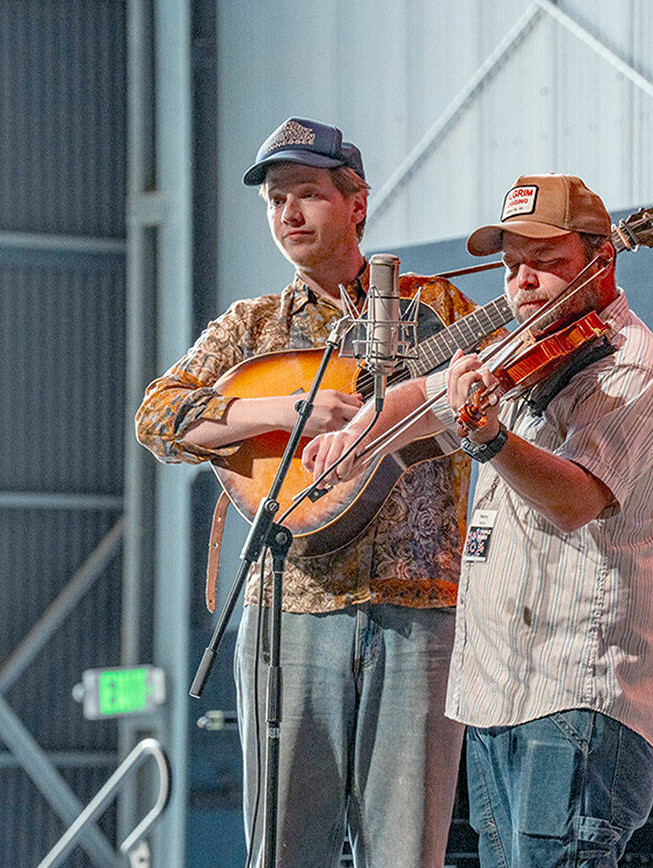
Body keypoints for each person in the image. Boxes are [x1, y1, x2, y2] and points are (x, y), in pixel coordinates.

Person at [306, 173, 653, 866]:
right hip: (494, 697)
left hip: (576, 694)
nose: (524, 281)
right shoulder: (509, 355)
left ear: (601, 260)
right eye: (513, 264)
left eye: (547, 262)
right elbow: (411, 399)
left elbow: (575, 500)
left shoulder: (636, 368)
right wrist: (355, 439)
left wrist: (489, 439)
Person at [134, 117, 475, 867]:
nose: (287, 214)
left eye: (308, 195)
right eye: (276, 199)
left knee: (407, 851)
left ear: (356, 203)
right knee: (285, 849)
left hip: (419, 612)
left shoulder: (438, 309)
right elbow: (157, 418)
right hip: (289, 612)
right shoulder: (252, 327)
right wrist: (283, 412)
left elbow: (494, 395)